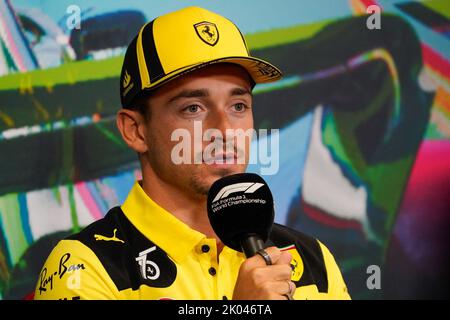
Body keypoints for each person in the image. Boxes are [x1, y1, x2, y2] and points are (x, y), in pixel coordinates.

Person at [34, 6, 350, 300]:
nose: (225, 131)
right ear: (136, 130)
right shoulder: (84, 267)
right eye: (193, 108)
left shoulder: (313, 261)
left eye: (238, 105)